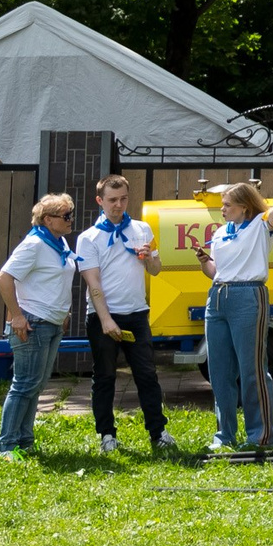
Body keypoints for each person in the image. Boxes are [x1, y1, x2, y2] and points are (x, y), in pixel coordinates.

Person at [199, 176, 273, 451]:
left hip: (248, 296)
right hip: (217, 296)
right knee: (219, 370)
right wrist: (205, 262)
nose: (222, 209)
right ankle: (225, 436)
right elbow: (217, 272)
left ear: (245, 207)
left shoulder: (260, 226)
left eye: (227, 205)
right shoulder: (221, 233)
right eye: (222, 205)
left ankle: (262, 435)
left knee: (252, 368)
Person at [76, 174, 171, 454]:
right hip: (102, 316)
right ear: (100, 201)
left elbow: (155, 270)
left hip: (137, 314)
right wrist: (106, 320)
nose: (118, 205)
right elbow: (93, 282)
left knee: (146, 375)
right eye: (112, 200)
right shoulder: (88, 238)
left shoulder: (142, 229)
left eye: (123, 199)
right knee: (105, 376)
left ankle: (158, 432)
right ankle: (107, 434)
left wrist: (150, 258)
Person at [0, 193, 84, 459]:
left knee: (36, 384)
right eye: (66, 215)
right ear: (48, 220)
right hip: (32, 323)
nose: (71, 220)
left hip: (52, 323)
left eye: (71, 214)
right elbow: (4, 277)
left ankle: (24, 440)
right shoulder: (33, 244)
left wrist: (63, 313)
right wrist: (16, 315)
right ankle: (6, 446)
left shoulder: (58, 242)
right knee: (24, 385)